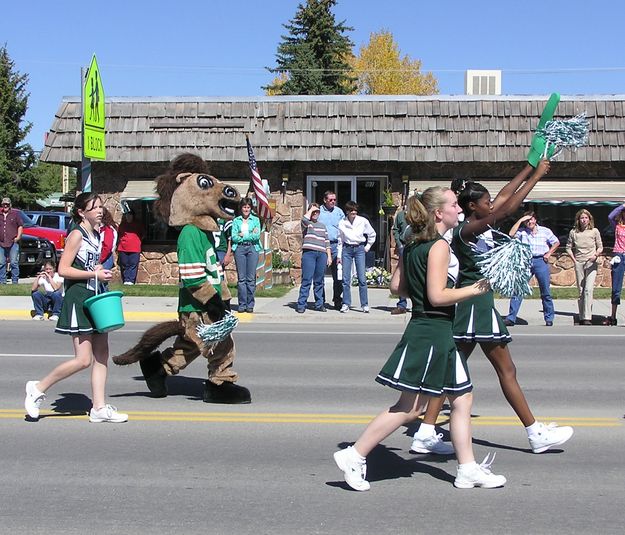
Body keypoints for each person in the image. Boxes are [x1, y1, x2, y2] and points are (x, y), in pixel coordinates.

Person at [334, 188, 506, 491]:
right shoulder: (438, 246)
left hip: (432, 328)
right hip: (432, 330)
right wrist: (476, 289)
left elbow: (396, 287)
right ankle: (355, 453)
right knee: (411, 408)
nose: (458, 209)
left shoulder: (413, 243)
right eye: (454, 205)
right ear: (439, 213)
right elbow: (437, 296)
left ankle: (467, 469)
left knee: (463, 398)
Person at [413, 160, 574, 455]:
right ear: (474, 207)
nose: (492, 204)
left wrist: (528, 166)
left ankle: (424, 431)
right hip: (475, 305)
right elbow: (505, 208)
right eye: (486, 202)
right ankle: (535, 433)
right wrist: (537, 176)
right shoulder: (466, 231)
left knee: (450, 368)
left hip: (474, 303)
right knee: (506, 369)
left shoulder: (476, 225)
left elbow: (503, 198)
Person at [24, 192, 128, 423]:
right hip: (79, 298)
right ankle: (37, 388)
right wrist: (94, 273)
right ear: (81, 212)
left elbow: (90, 263)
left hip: (96, 296)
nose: (100, 211)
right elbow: (63, 269)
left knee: (102, 353)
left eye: (101, 206)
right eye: (94, 207)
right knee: (83, 359)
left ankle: (99, 408)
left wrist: (100, 270)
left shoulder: (96, 234)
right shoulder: (76, 235)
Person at [504, 212, 559, 327]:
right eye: (527, 221)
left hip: (540, 261)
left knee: (545, 291)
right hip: (526, 262)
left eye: (531, 220)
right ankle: (511, 318)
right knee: (518, 289)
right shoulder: (522, 232)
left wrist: (549, 253)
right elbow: (511, 234)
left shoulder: (545, 231)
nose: (530, 222)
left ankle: (549, 318)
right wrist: (520, 220)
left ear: (535, 220)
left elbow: (556, 242)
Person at [566, 209, 603, 325]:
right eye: (582, 218)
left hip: (591, 262)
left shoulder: (594, 231)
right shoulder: (573, 232)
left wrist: (595, 255)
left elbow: (600, 247)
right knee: (581, 290)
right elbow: (568, 247)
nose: (584, 220)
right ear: (578, 220)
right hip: (579, 263)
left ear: (589, 219)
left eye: (586, 218)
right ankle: (581, 316)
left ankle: (587, 317)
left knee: (588, 289)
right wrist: (574, 259)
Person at [337, 201, 376, 313]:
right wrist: (339, 255)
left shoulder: (362, 221)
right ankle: (346, 303)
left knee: (362, 278)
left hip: (359, 249)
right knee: (345, 279)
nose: (354, 212)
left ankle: (364, 304)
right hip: (347, 249)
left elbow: (372, 234)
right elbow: (340, 240)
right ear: (347, 212)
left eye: (355, 211)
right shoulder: (342, 223)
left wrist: (367, 247)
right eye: (351, 211)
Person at [297, 203, 331, 313]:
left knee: (319, 281)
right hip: (309, 253)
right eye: (313, 212)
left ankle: (319, 304)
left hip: (321, 254)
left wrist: (329, 256)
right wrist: (311, 209)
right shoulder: (307, 224)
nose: (315, 214)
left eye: (317, 212)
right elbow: (304, 219)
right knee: (306, 280)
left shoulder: (322, 226)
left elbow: (327, 242)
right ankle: (301, 304)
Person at [231, 198, 262, 313]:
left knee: (250, 279)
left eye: (248, 207)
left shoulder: (255, 220)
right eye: (244, 207)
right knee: (241, 279)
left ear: (251, 208)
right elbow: (234, 236)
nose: (246, 209)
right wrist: (249, 234)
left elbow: (256, 236)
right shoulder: (236, 221)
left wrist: (243, 234)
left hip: (252, 248)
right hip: (239, 248)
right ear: (241, 208)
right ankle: (242, 304)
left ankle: (250, 304)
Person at [318, 190, 345, 310]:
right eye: (330, 200)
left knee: (338, 276)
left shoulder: (339, 212)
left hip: (335, 246)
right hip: (322, 246)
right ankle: (321, 301)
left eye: (334, 200)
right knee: (320, 275)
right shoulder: (318, 211)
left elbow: (345, 228)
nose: (333, 202)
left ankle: (338, 300)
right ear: (325, 200)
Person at [604, 202, 625, 325]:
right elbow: (610, 216)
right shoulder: (617, 225)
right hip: (618, 255)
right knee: (616, 288)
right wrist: (623, 205)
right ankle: (613, 316)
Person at [117, 209, 144, 285]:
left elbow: (143, 234)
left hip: (135, 248)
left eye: (130, 215)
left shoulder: (138, 224)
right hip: (123, 248)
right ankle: (125, 280)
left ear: (133, 216)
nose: (128, 217)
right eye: (127, 215)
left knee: (133, 264)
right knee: (124, 264)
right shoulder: (123, 224)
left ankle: (131, 280)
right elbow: (119, 234)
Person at [0, 197, 23, 284]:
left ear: (10, 205)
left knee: (14, 262)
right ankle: (2, 281)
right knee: (1, 263)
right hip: (1, 243)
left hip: (13, 242)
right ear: (2, 205)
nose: (5, 206)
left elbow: (20, 226)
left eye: (7, 204)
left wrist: (18, 237)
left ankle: (15, 281)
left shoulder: (15, 214)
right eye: (4, 204)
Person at [390, 206, 409, 314]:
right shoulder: (401, 215)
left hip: (416, 246)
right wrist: (399, 243)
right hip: (403, 246)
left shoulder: (420, 214)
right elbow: (396, 229)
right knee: (402, 276)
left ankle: (419, 304)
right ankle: (402, 305)